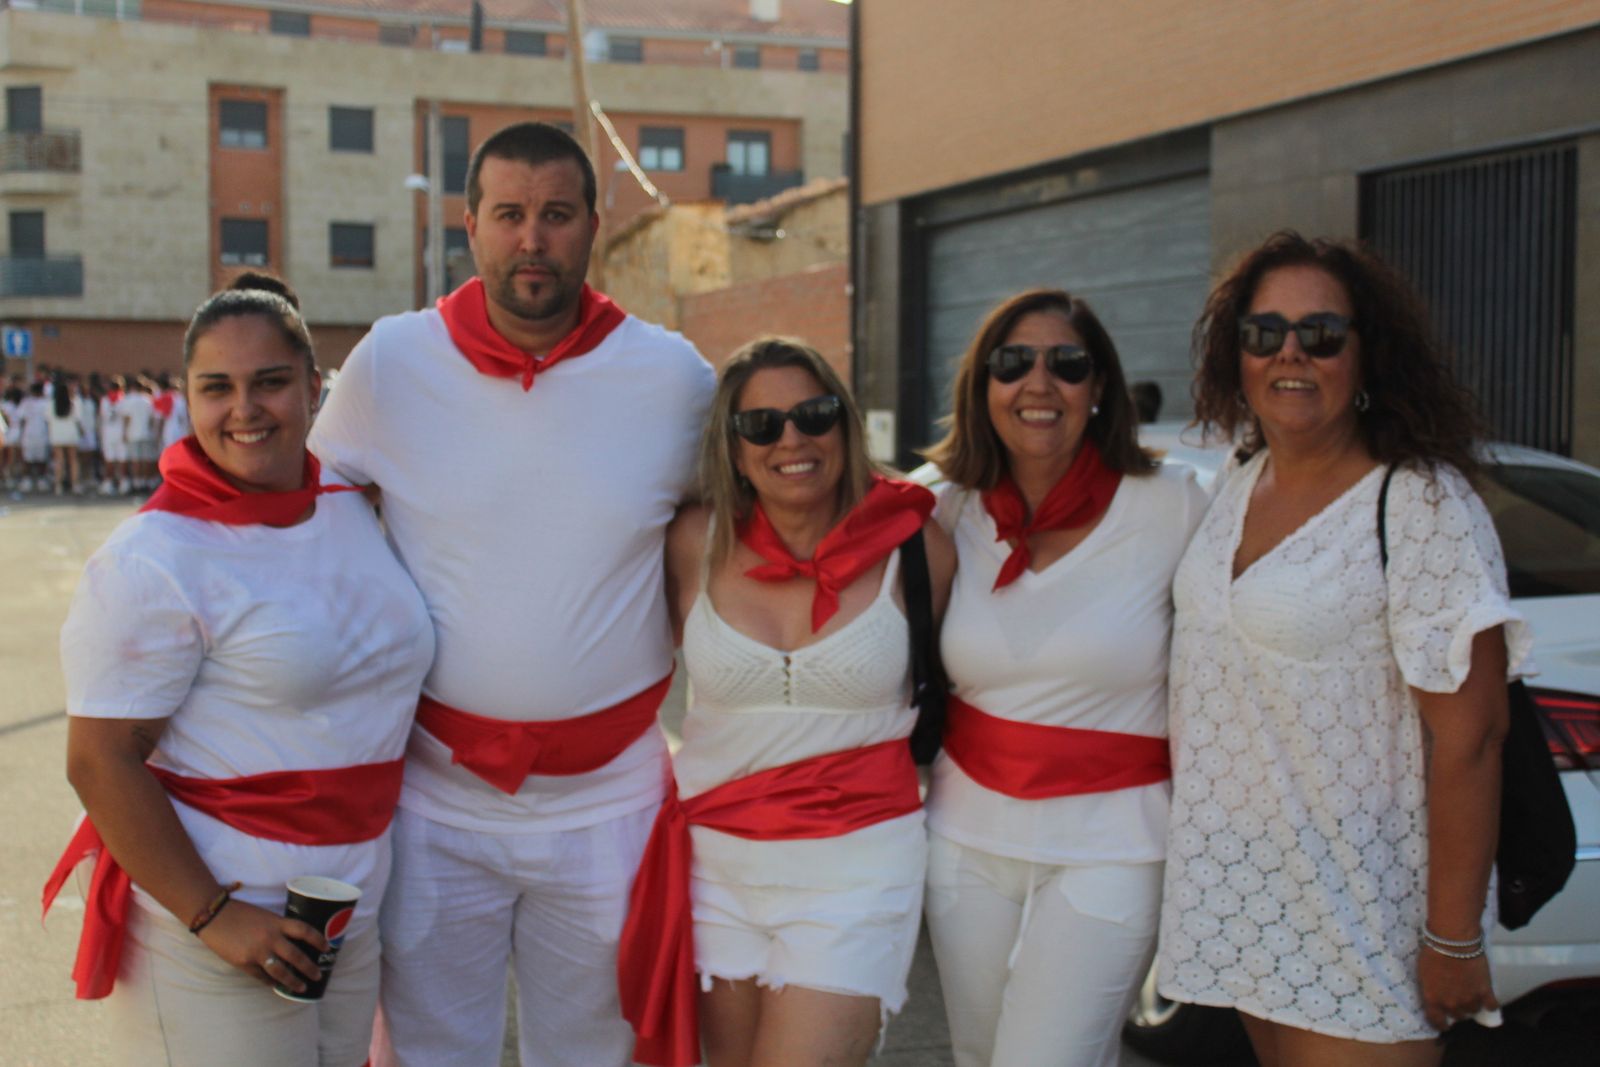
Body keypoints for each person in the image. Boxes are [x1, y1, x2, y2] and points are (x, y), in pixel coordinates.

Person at [308, 120, 715, 1067]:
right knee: (429, 1050)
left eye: (557, 215)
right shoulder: (390, 362)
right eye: (510, 214)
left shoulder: (673, 378)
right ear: (470, 224)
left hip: (609, 800)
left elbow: (764, 521)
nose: (533, 238)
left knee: (595, 1053)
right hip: (437, 799)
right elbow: (301, 528)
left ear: (595, 226)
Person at [1158, 231, 1530, 1066]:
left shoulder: (1420, 502)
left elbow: (1474, 736)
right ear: (1236, 353)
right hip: (1241, 896)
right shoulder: (1238, 480)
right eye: (1265, 333)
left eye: (1321, 334)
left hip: (1362, 907)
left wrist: (1454, 934)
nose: (1291, 353)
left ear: (1367, 354)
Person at [43, 273, 435, 1066]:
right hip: (220, 935)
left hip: (344, 922)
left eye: (270, 383)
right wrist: (214, 915)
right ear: (186, 396)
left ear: (314, 388)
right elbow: (98, 760)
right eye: (215, 387)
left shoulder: (351, 504)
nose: (244, 409)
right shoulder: (154, 558)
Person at [620, 338, 955, 1067]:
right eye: (761, 425)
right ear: (733, 450)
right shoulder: (691, 542)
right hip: (717, 868)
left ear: (845, 423)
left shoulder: (917, 544)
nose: (792, 438)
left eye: (814, 413)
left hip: (858, 866)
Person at [918, 290, 1208, 1067]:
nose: (1038, 383)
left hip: (1114, 843)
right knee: (980, 1057)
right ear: (983, 386)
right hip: (964, 839)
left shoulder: (1175, 505)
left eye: (1067, 364)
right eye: (1013, 363)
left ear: (1100, 387)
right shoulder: (943, 507)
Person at [47, 374, 88, 495]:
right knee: (73, 460)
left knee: (59, 460)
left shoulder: (51, 404)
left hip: (57, 434)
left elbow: (48, 419)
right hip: (71, 434)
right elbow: (78, 419)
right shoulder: (73, 403)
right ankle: (75, 484)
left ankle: (58, 485)